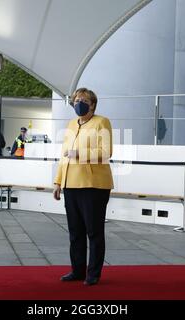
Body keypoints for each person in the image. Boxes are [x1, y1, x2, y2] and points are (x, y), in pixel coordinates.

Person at [53, 88, 113, 286]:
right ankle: (77, 271)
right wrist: (58, 182)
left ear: (93, 104)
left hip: (93, 186)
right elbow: (64, 156)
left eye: (84, 100)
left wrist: (79, 153)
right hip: (71, 185)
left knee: (94, 232)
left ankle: (93, 273)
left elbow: (106, 152)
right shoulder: (71, 125)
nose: (79, 102)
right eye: (77, 99)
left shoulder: (101, 122)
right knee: (75, 232)